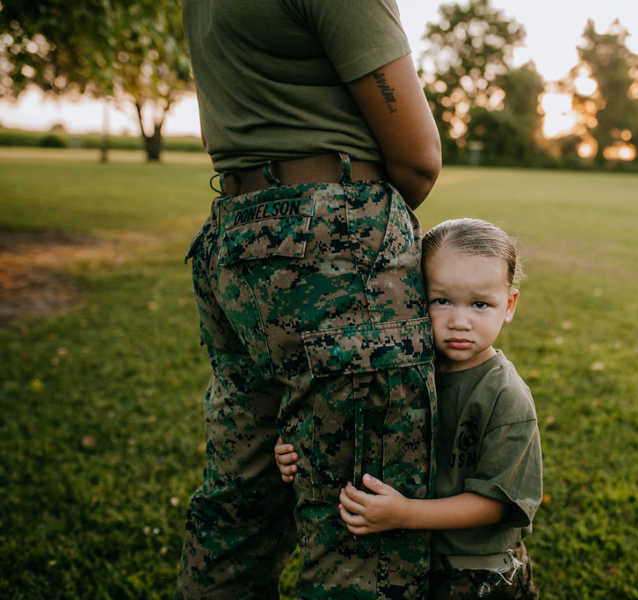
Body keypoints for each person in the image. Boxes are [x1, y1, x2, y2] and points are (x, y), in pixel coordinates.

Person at [176, 1, 441, 599]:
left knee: (237, 501)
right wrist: (350, 229)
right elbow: (418, 158)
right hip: (334, 244)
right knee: (359, 527)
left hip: (232, 233)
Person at [277, 219, 543, 599]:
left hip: (477, 574)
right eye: (441, 301)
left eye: (480, 304)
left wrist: (404, 514)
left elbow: (495, 505)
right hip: (413, 565)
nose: (459, 322)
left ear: (509, 305)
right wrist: (294, 451)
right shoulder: (404, 373)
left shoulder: (505, 395)